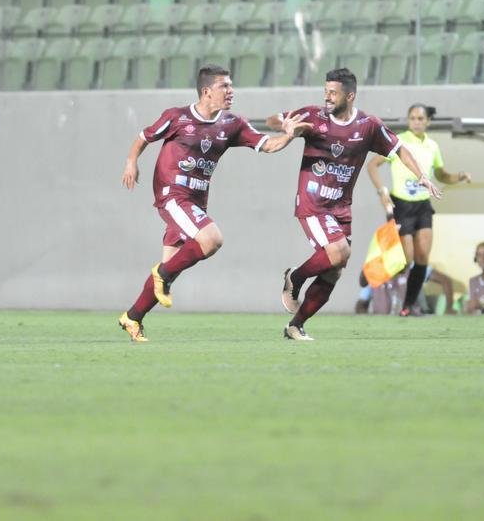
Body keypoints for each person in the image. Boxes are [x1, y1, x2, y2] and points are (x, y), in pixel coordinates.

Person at [117, 65, 309, 343]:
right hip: (172, 195)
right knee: (211, 239)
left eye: (231, 86)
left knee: (172, 265)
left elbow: (268, 145)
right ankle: (162, 275)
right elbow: (143, 137)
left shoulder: (233, 124)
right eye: (225, 86)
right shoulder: (176, 116)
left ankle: (132, 317)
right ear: (207, 91)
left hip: (196, 202)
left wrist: (290, 135)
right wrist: (131, 161)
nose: (231, 91)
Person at [267, 68, 443, 341]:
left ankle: (296, 325)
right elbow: (273, 120)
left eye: (333, 93)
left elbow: (399, 150)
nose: (327, 97)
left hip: (341, 208)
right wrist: (286, 125)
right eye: (325, 91)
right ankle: (295, 279)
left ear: (350, 95)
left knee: (335, 271)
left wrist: (421, 175)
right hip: (313, 201)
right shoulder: (313, 116)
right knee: (338, 251)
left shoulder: (368, 126)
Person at [364, 103, 472, 316]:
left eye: (420, 119)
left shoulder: (432, 146)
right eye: (412, 118)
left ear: (428, 121)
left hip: (422, 205)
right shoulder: (399, 141)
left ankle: (408, 306)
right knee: (407, 257)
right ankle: (371, 269)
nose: (416, 122)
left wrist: (459, 176)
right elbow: (372, 165)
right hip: (401, 204)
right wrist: (382, 192)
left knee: (422, 257)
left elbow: (441, 175)